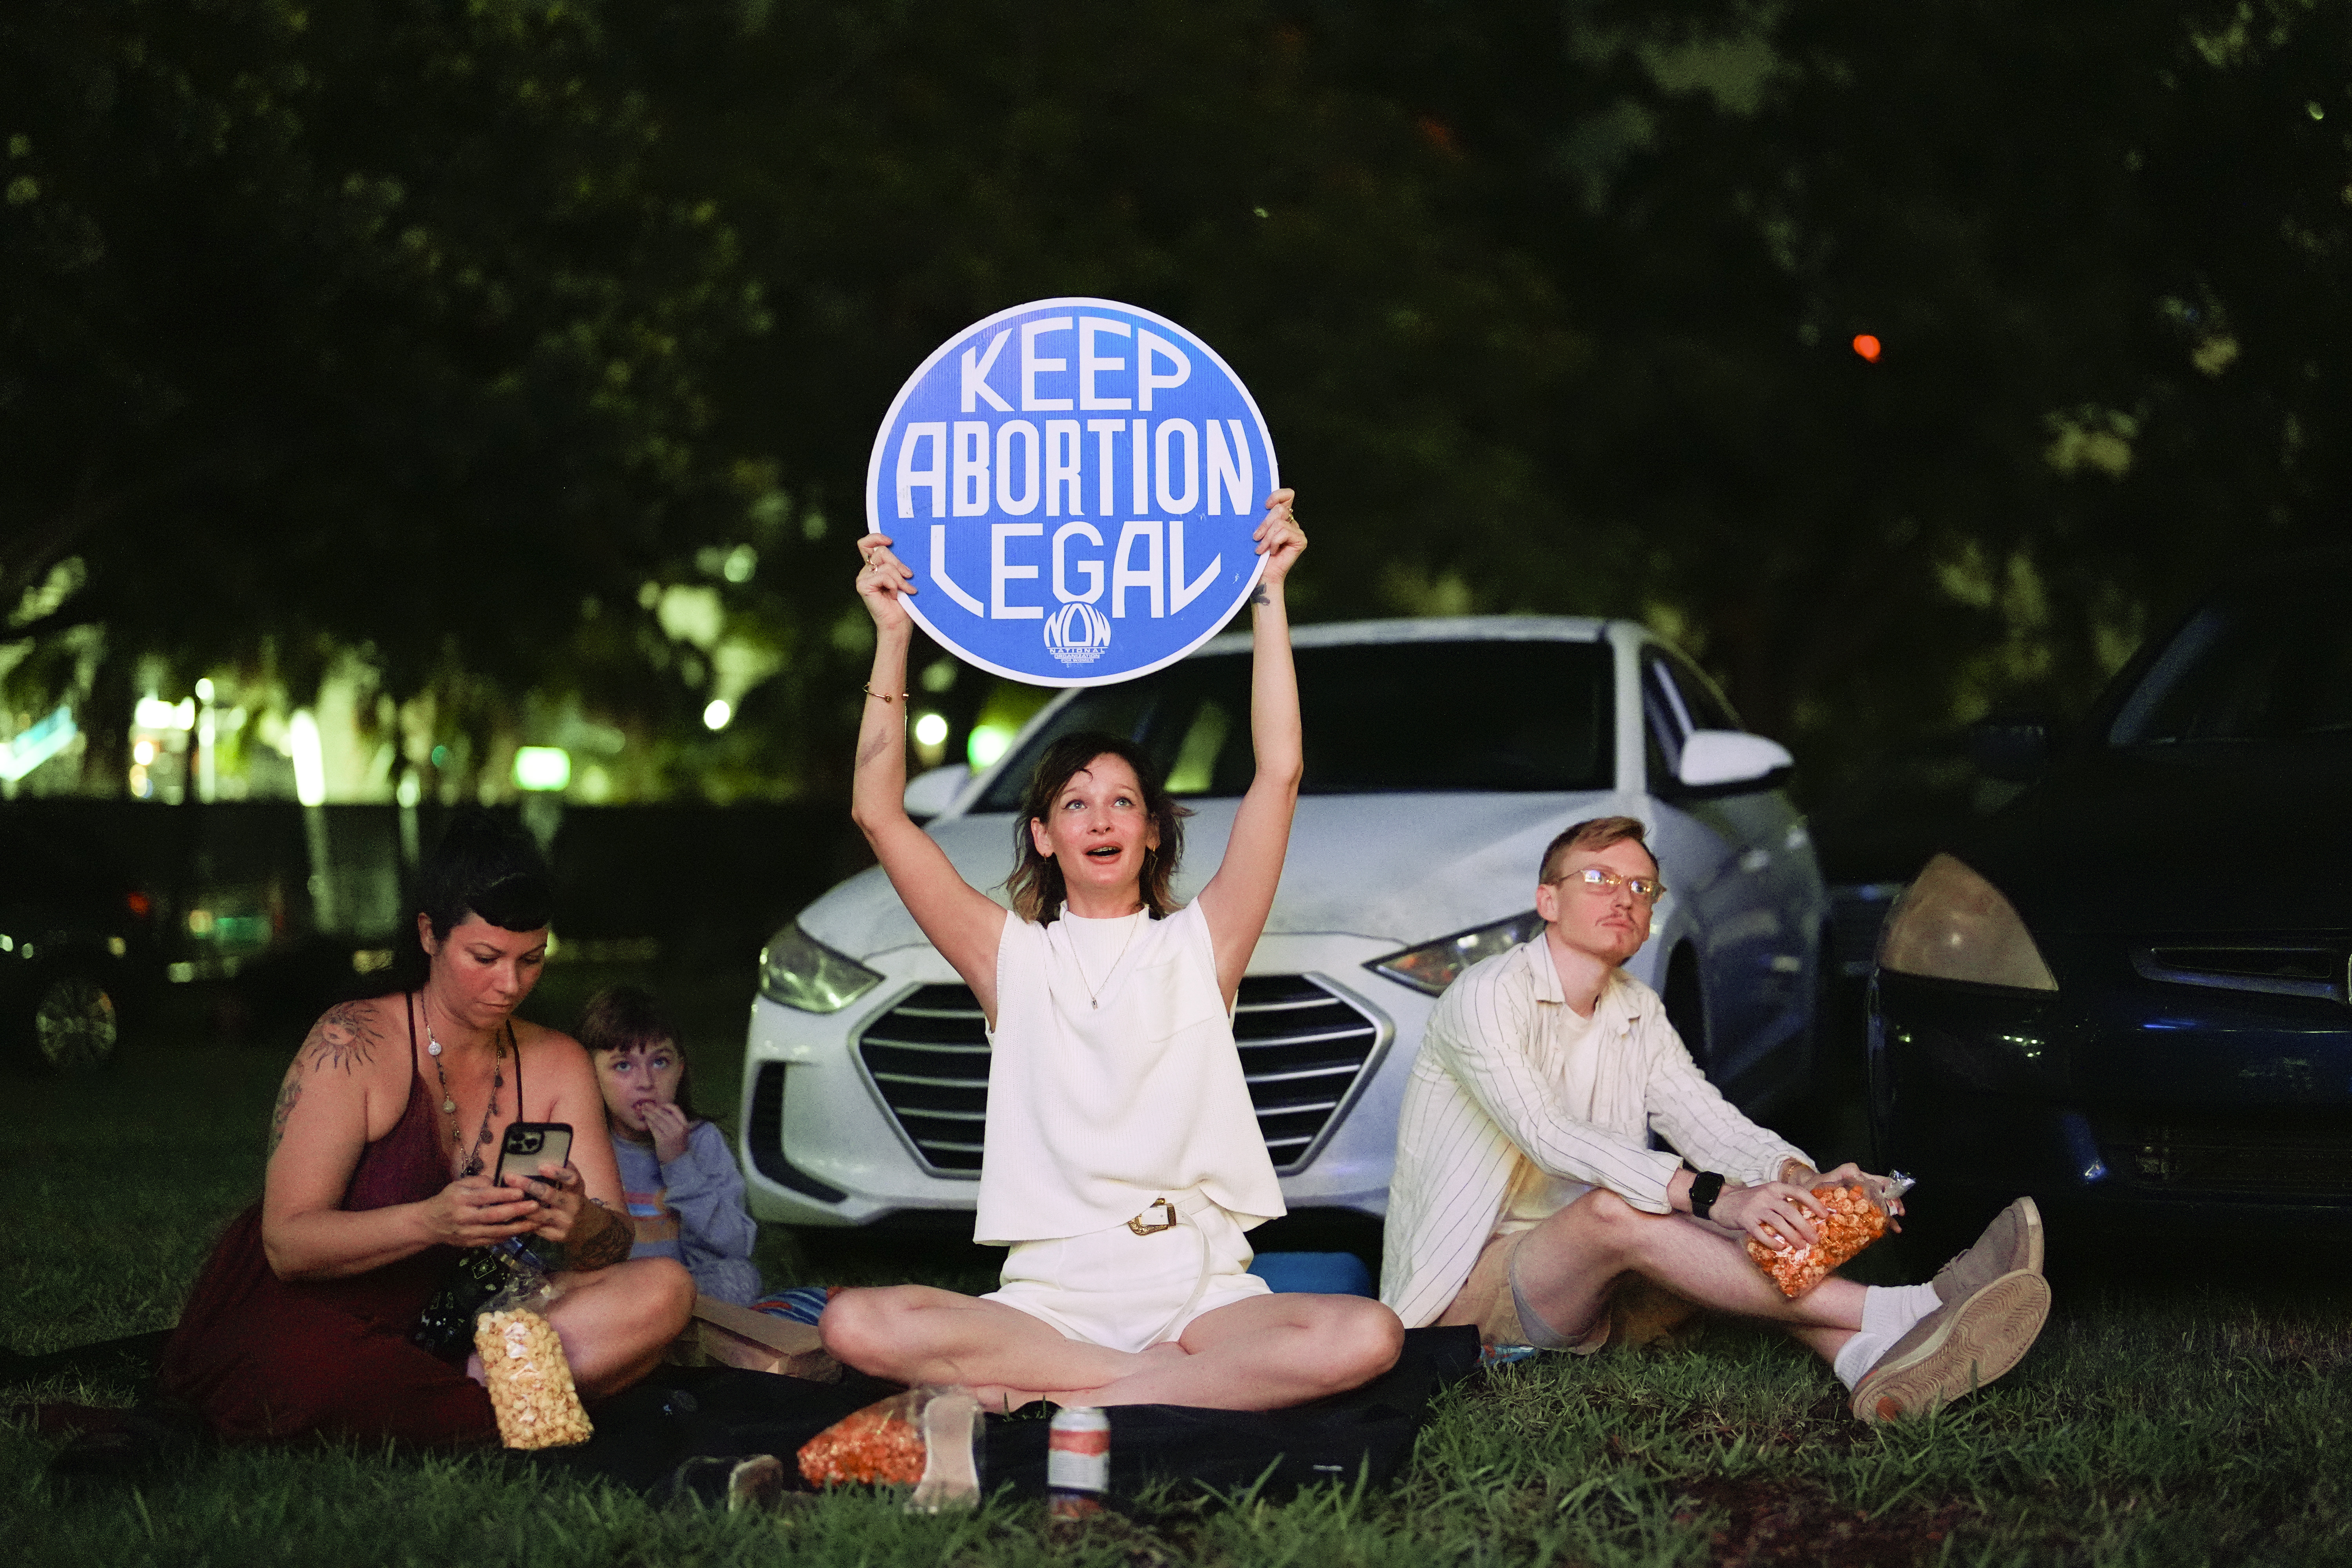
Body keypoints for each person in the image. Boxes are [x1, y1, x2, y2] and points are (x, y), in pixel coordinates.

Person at [818, 490, 1405, 1412]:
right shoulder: (1006, 956)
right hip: (1052, 1295)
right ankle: (1157, 1390)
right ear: (1046, 836)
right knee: (855, 1323)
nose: (1101, 817)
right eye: (1077, 802)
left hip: (1198, 1283)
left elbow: (1278, 773)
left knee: (1367, 1333)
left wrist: (1268, 594)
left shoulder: (1201, 943)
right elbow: (879, 812)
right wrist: (893, 633)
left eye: (1123, 801)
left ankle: (1082, 1394)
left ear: (1153, 834)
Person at [1380, 815, 2051, 1423]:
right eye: (1599, 877)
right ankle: (1912, 1309)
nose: (1625, 897)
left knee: (1747, 1218)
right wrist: (1719, 1197)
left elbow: (1708, 1121)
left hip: (1593, 1280)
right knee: (1627, 1211)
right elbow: (1548, 1134)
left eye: (1644, 888)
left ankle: (1867, 1364)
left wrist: (1793, 1177)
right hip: (1470, 1303)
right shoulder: (1488, 995)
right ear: (1547, 900)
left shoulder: (1634, 1007)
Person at [159, 811, 695, 1445]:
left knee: (666, 1290)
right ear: (429, 936)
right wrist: (431, 1222)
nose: (510, 984)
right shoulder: (352, 1039)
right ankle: (500, 1402)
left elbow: (611, 1248)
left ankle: (468, 1393)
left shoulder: (557, 1063)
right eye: (486, 957)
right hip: (332, 1311)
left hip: (469, 1313)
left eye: (532, 960)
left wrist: (580, 1222)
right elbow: (288, 1244)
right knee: (305, 1369)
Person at [579, 984, 760, 1305]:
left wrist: (679, 1163)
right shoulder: (587, 1145)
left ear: (680, 1070)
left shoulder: (702, 1140)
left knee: (741, 1276)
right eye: (623, 1066)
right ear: (589, 1076)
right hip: (617, 1289)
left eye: (660, 1062)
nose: (646, 1082)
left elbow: (735, 1245)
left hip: (688, 1288)